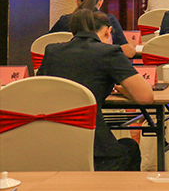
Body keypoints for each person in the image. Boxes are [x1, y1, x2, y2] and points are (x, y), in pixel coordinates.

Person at [38, 9, 154, 171]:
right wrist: (122, 89)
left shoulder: (52, 51)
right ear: (108, 31)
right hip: (96, 150)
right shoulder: (109, 52)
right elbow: (146, 97)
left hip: (52, 145)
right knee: (130, 147)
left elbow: (39, 87)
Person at [50, 0, 135, 58]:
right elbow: (128, 53)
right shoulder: (107, 20)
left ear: (77, 2)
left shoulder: (65, 20)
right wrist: (132, 44)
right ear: (100, 2)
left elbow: (45, 41)